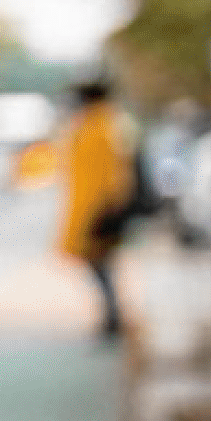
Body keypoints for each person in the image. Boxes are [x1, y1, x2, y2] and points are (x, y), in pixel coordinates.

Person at [59, 76, 135, 341]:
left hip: (99, 209)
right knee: (99, 264)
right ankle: (111, 315)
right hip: (91, 207)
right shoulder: (93, 125)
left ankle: (113, 316)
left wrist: (112, 206)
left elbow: (116, 172)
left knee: (100, 263)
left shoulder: (105, 126)